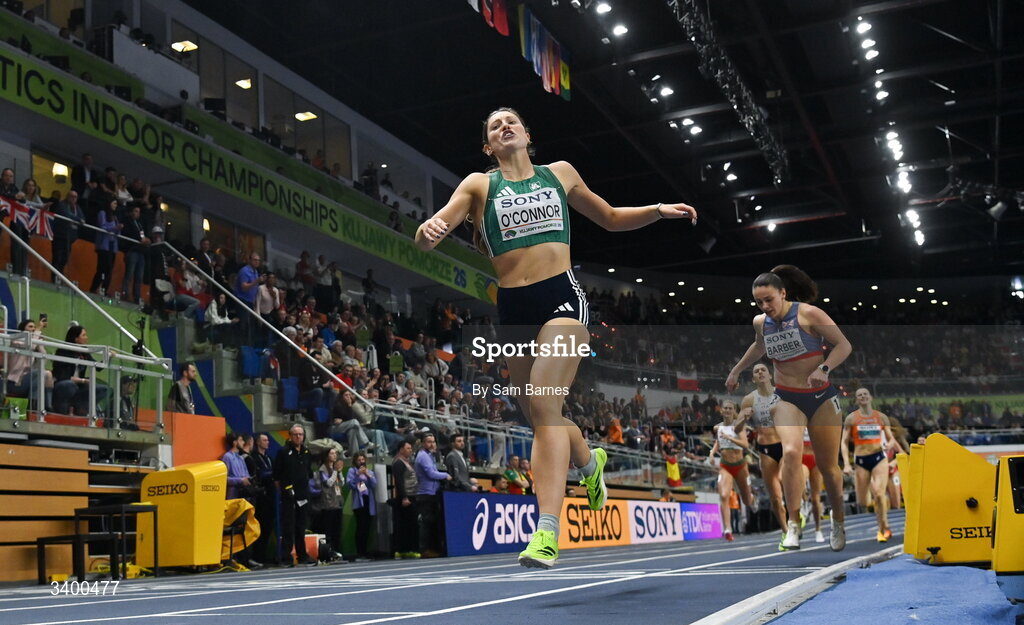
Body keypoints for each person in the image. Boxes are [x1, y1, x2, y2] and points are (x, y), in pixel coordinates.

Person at [415, 107, 697, 568]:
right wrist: (426, 234)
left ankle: (545, 532)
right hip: (514, 310)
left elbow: (608, 216)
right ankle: (589, 461)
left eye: (512, 122)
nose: (504, 127)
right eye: (494, 127)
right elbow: (432, 234)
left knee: (546, 406)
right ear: (489, 147)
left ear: (528, 133)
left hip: (562, 298)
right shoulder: (478, 185)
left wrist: (657, 211)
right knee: (540, 418)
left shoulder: (560, 174)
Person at [726, 265, 852, 552]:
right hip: (787, 398)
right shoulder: (761, 322)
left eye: (769, 299)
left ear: (783, 293)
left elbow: (844, 345)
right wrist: (736, 370)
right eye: (759, 302)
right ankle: (794, 525)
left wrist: (824, 367)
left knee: (828, 467)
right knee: (792, 452)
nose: (765, 306)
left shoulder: (809, 314)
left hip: (821, 398)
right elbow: (759, 347)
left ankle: (838, 521)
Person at [841, 388, 905, 543]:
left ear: (870, 397)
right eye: (859, 395)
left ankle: (883, 528)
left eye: (865, 394)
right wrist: (846, 465)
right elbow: (843, 442)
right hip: (861, 460)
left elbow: (890, 439)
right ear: (856, 400)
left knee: (878, 493)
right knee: (863, 502)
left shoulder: (881, 417)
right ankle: (882, 510)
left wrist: (889, 445)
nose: (863, 397)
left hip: (879, 458)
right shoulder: (851, 418)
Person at [740, 363, 788, 540]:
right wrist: (743, 419)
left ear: (770, 375)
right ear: (753, 378)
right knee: (775, 497)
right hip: (765, 449)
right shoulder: (748, 399)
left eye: (763, 370)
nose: (760, 372)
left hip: (785, 445)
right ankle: (786, 533)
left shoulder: (782, 395)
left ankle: (801, 503)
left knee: (784, 479)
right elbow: (738, 425)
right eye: (756, 371)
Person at [706, 400, 757, 541]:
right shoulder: (718, 428)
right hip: (725, 465)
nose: (727, 410)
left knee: (746, 500)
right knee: (723, 495)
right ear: (721, 411)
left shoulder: (738, 426)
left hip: (740, 465)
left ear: (733, 411)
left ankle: (753, 499)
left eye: (730, 408)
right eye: (725, 408)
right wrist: (711, 453)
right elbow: (718, 441)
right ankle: (727, 529)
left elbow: (745, 444)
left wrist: (730, 438)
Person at [274, 423, 316, 567]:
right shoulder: (283, 452)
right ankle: (286, 558)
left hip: (303, 495)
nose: (298, 437)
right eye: (295, 435)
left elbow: (308, 473)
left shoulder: (306, 452)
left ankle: (302, 556)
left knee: (301, 527)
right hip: (289, 496)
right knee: (288, 528)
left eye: (301, 435)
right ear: (290, 436)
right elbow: (276, 477)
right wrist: (285, 492)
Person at [52, 325, 109, 417]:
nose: (87, 338)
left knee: (103, 389)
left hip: (78, 385)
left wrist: (108, 357)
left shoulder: (84, 352)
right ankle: (63, 410)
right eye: (84, 335)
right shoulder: (63, 351)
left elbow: (97, 367)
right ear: (76, 338)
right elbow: (62, 376)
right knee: (69, 385)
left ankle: (82, 408)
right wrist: (83, 381)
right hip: (63, 385)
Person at [413, 433, 451, 558]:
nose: (432, 444)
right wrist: (445, 475)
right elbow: (431, 474)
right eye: (429, 442)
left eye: (433, 441)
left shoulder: (429, 455)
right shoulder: (423, 456)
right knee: (426, 523)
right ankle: (424, 549)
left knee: (431, 522)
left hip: (432, 492)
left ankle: (431, 548)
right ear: (423, 443)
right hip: (425, 493)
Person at [5, 319, 53, 411]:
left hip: (28, 380)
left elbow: (43, 361)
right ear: (23, 330)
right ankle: (33, 406)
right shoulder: (16, 340)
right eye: (30, 327)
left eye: (34, 327)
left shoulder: (34, 342)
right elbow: (29, 346)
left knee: (47, 374)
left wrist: (40, 345)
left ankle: (47, 406)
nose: (33, 329)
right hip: (14, 382)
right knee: (42, 374)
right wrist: (38, 331)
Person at [244, 433, 276, 565]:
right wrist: (272, 475)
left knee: (268, 527)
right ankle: (256, 555)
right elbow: (260, 475)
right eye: (264, 440)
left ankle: (262, 555)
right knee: (259, 527)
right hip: (260, 497)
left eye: (268, 440)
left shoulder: (269, 458)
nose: (267, 442)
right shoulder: (254, 458)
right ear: (257, 442)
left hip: (271, 496)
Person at [311, 448, 345, 563]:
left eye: (335, 453)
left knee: (337, 530)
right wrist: (335, 471)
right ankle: (328, 552)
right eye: (331, 453)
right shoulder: (323, 470)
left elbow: (342, 483)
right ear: (326, 456)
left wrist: (339, 472)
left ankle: (337, 551)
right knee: (328, 530)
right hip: (327, 504)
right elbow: (328, 483)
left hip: (337, 502)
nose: (334, 455)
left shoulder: (334, 468)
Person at [391, 440, 420, 559]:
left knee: (411, 524)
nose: (410, 450)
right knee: (406, 524)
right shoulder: (398, 463)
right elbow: (399, 481)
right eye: (408, 448)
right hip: (406, 497)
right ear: (401, 449)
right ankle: (404, 549)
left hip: (411, 495)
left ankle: (407, 548)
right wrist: (404, 497)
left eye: (411, 448)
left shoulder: (407, 462)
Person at [346, 451, 378, 561]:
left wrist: (368, 475)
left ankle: (365, 551)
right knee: (361, 526)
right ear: (355, 461)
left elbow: (374, 484)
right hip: (359, 502)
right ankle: (360, 552)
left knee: (367, 527)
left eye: (362, 460)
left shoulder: (369, 471)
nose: (361, 462)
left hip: (368, 501)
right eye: (359, 460)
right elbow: (350, 485)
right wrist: (357, 475)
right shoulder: (352, 471)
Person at [90, 199, 121, 296]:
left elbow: (118, 232)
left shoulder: (115, 217)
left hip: (112, 246)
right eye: (114, 203)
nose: (116, 205)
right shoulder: (102, 213)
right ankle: (94, 287)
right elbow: (102, 227)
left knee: (109, 269)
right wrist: (115, 228)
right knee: (102, 268)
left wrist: (118, 229)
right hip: (104, 245)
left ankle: (104, 289)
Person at [119, 204, 149, 303]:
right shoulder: (127, 221)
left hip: (140, 251)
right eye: (136, 211)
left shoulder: (139, 224)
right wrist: (139, 239)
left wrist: (146, 240)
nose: (137, 214)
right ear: (131, 211)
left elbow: (142, 235)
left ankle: (137, 296)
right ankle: (125, 293)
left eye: (138, 212)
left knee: (139, 276)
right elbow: (127, 233)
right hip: (132, 250)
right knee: (129, 274)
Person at [52, 190, 85, 279]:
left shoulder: (77, 208)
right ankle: (54, 278)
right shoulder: (62, 204)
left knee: (65, 258)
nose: (73, 199)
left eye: (75, 197)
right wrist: (77, 219)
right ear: (67, 196)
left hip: (70, 238)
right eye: (72, 196)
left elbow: (83, 218)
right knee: (57, 257)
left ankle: (60, 275)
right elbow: (66, 214)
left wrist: (79, 219)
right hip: (60, 236)